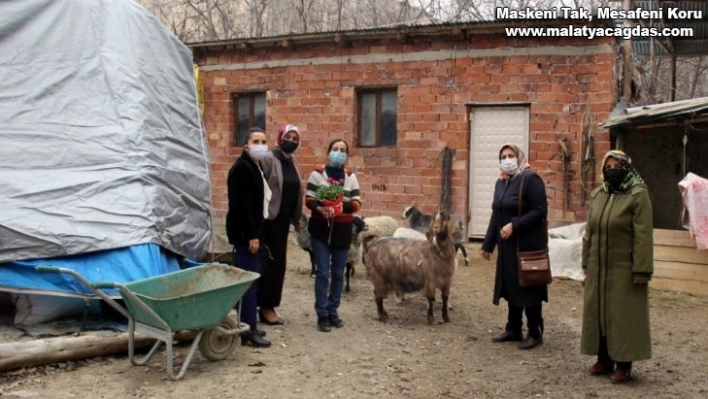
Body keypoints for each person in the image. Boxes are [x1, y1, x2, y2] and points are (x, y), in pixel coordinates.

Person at [580, 150, 653, 384]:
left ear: (626, 167)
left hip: (624, 266)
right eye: (608, 166)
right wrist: (585, 262)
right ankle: (604, 359)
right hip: (598, 266)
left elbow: (643, 235)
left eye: (617, 165)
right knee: (599, 313)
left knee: (622, 316)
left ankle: (624, 364)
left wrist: (642, 269)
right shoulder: (599, 195)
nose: (612, 169)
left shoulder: (637, 195)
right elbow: (589, 232)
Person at [481, 143, 549, 350]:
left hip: (527, 244)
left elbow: (539, 210)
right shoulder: (501, 182)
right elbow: (497, 213)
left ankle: (535, 332)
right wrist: (488, 243)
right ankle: (514, 329)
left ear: (519, 158)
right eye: (503, 156)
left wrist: (515, 225)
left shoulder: (530, 179)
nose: (507, 159)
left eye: (511, 155)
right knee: (511, 286)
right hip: (507, 246)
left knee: (528, 285)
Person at [304, 139, 362, 332]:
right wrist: (321, 208)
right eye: (335, 149)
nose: (339, 153)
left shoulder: (350, 177)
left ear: (347, 155)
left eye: (342, 150)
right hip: (321, 230)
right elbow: (309, 199)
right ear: (328, 152)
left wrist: (340, 207)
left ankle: (332, 311)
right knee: (322, 273)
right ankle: (321, 314)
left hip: (342, 231)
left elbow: (356, 203)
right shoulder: (317, 174)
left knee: (338, 274)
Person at [225, 127, 272, 348]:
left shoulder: (254, 166)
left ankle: (249, 324)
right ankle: (248, 330)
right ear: (246, 146)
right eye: (256, 141)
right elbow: (241, 207)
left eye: (264, 141)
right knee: (249, 282)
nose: (261, 145)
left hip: (253, 232)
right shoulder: (241, 169)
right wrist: (251, 236)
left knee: (252, 279)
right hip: (245, 236)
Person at [258, 124, 304, 325]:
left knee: (279, 265)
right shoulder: (269, 159)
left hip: (283, 222)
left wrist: (296, 218)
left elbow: (296, 191)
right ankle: (264, 307)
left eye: (295, 138)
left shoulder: (292, 161)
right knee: (268, 263)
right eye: (288, 137)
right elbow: (259, 187)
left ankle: (270, 304)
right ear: (280, 137)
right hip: (268, 220)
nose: (291, 141)